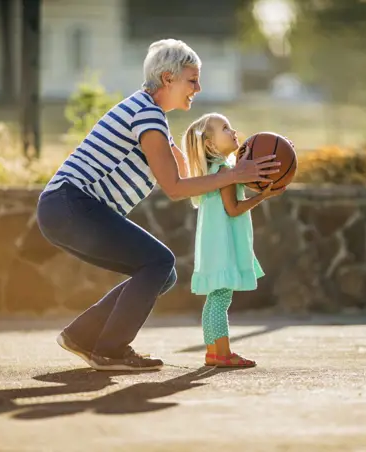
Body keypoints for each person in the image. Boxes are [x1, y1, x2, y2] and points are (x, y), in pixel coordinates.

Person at [36, 39, 281, 371]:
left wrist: (241, 175)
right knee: (158, 261)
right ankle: (109, 350)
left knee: (161, 273)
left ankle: (82, 336)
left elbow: (192, 176)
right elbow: (176, 188)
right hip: (72, 204)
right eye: (191, 80)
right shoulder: (147, 115)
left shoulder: (149, 115)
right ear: (168, 79)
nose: (198, 87)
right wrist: (235, 174)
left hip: (64, 208)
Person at [182, 113, 285, 368]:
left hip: (212, 244)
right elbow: (234, 209)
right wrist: (263, 196)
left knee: (214, 298)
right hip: (222, 244)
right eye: (225, 128)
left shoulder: (215, 172)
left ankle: (212, 351)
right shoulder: (225, 172)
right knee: (221, 299)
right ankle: (224, 353)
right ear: (210, 145)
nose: (233, 130)